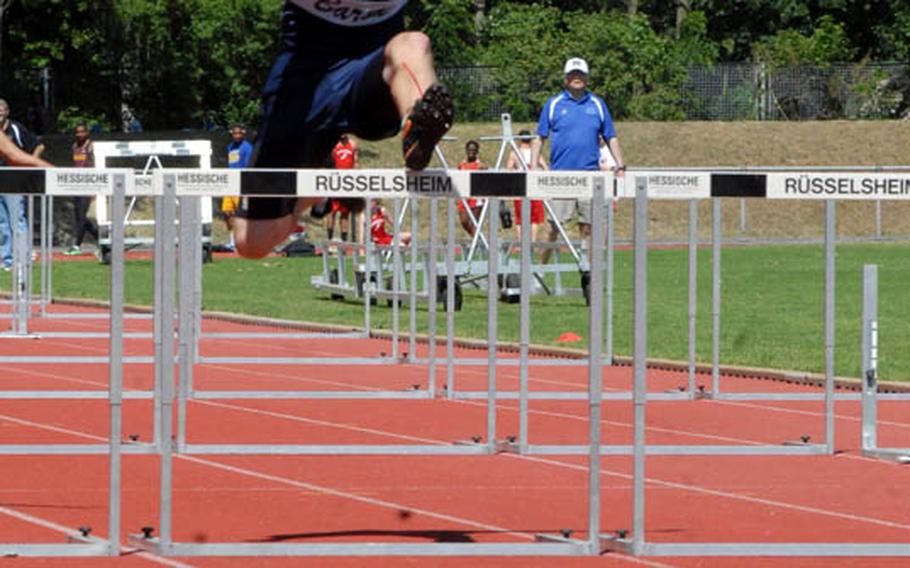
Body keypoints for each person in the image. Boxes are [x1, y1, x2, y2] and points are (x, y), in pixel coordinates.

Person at [232, 1, 454, 259]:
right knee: (251, 242)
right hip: (303, 84)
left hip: (375, 74)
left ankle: (417, 124)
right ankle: (307, 197)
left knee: (413, 44)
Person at [530, 57, 626, 273]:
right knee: (552, 226)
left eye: (580, 75)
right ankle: (539, 271)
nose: (577, 79)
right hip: (560, 176)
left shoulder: (598, 105)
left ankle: (590, 274)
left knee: (589, 227)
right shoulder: (553, 104)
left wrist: (620, 165)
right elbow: (539, 137)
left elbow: (611, 137)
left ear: (587, 78)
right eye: (573, 75)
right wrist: (533, 167)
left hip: (590, 176)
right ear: (565, 78)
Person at [0, 98, 46, 270]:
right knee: (2, 223)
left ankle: (24, 258)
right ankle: (8, 260)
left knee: (17, 219)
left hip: (14, 182)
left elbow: (39, 146)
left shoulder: (16, 129)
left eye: (2, 109)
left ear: (7, 111)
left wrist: (29, 164)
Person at [507, 129, 548, 245]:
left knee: (520, 218)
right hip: (533, 184)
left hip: (520, 185)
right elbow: (545, 167)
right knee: (534, 218)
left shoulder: (514, 153)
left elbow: (508, 170)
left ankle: (521, 243)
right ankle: (533, 242)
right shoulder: (535, 153)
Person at [65, 123, 99, 256]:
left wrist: (95, 189)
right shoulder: (74, 146)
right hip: (76, 185)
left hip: (88, 185)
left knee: (82, 217)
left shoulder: (91, 146)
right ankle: (101, 240)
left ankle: (76, 245)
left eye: (82, 132)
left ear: (87, 133)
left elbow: (96, 166)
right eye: (77, 132)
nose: (79, 135)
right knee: (79, 217)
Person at [220, 124, 254, 252]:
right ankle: (232, 240)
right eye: (234, 133)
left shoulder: (247, 148)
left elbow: (248, 167)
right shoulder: (230, 147)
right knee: (227, 212)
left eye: (239, 133)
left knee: (241, 213)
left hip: (241, 183)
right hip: (230, 182)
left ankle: (244, 240)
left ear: (243, 134)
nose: (236, 136)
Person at [325, 133, 362, 247]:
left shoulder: (352, 144)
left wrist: (355, 179)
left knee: (345, 212)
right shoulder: (334, 145)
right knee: (331, 211)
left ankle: (344, 240)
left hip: (347, 183)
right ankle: (330, 238)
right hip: (335, 181)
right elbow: (328, 163)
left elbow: (355, 162)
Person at [456, 140, 486, 237]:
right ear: (466, 151)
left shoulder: (480, 166)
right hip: (464, 197)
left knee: (475, 223)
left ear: (477, 151)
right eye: (469, 150)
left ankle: (476, 244)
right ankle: (478, 240)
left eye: (474, 150)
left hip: (475, 197)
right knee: (464, 221)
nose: (471, 152)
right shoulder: (461, 165)